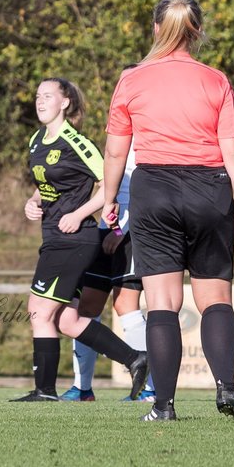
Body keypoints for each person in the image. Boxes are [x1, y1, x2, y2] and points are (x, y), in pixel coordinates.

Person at [102, 0, 234, 421]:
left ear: (156, 29)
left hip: (155, 191)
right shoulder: (216, 80)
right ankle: (227, 389)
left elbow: (117, 153)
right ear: (197, 31)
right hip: (210, 191)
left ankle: (163, 406)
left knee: (162, 304)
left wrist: (110, 202)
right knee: (215, 299)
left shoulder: (132, 80)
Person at [13, 77, 149, 402]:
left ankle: (44, 391)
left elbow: (108, 185)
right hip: (53, 237)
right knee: (67, 319)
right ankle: (135, 359)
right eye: (37, 95)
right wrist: (33, 202)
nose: (40, 100)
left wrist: (79, 214)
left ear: (64, 103)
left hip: (75, 238)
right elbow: (45, 184)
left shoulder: (76, 142)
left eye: (48, 95)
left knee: (39, 310)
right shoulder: (36, 140)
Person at [59, 146, 156, 402]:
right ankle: (82, 389)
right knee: (87, 307)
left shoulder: (148, 136)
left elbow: (149, 191)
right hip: (105, 228)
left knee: (125, 304)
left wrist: (121, 231)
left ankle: (151, 389)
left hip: (131, 231)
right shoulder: (116, 136)